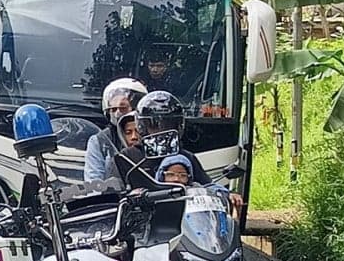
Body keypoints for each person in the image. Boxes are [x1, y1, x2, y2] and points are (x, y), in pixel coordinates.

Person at [114, 91, 244, 212]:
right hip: (139, 221)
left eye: (168, 125)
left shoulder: (185, 157)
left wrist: (227, 194)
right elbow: (113, 193)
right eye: (154, 125)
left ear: (178, 126)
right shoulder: (126, 157)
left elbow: (207, 186)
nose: (161, 130)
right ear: (142, 127)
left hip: (182, 219)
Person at [84, 78, 147, 182]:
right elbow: (93, 181)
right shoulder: (99, 141)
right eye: (113, 109)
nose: (117, 113)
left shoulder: (152, 136)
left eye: (123, 108)